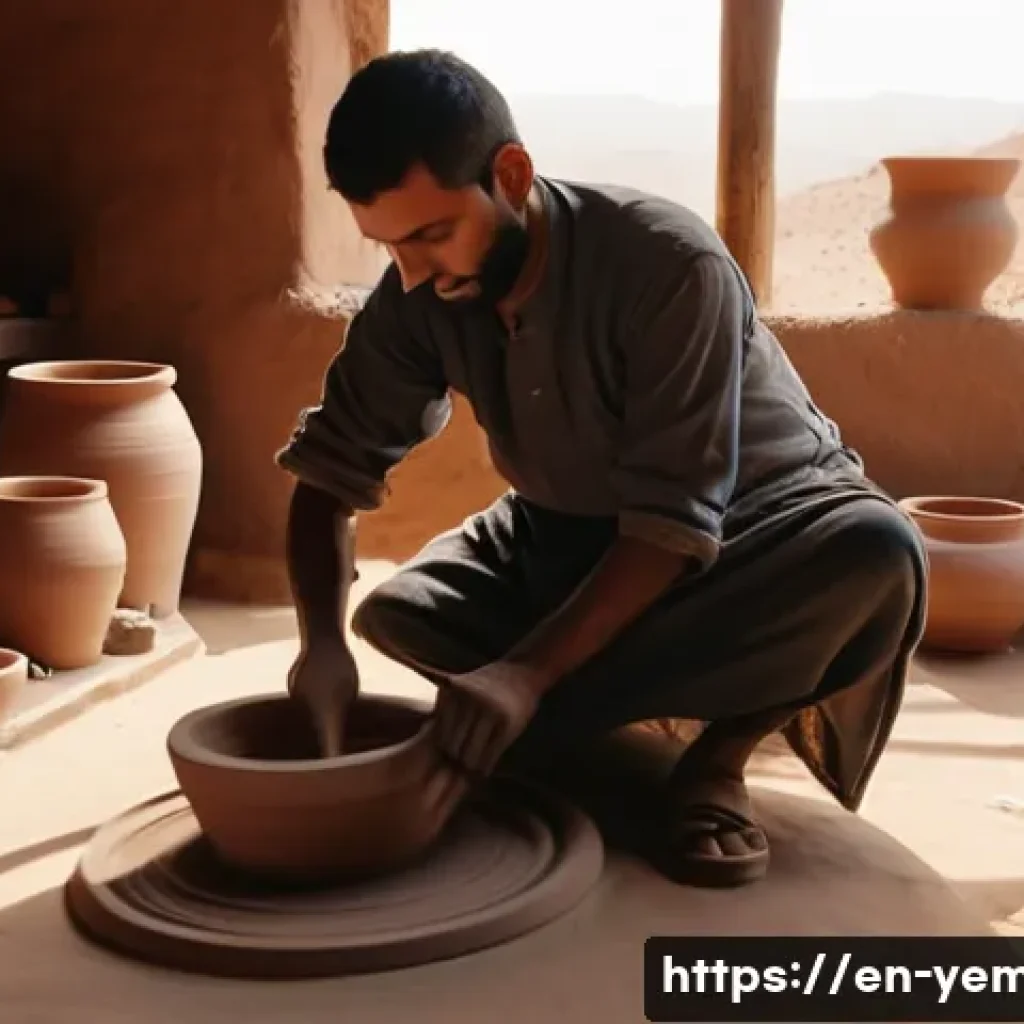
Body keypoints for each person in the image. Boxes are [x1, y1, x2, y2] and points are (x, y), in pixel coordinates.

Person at [278, 49, 927, 887]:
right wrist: (320, 647)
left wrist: (522, 673)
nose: (413, 275)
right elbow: (329, 474)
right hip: (561, 535)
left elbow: (670, 525)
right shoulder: (419, 292)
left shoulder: (668, 263)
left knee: (875, 556)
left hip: (752, 533)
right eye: (389, 246)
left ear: (511, 175)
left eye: (432, 235)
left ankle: (716, 758)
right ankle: (582, 726)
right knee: (401, 615)